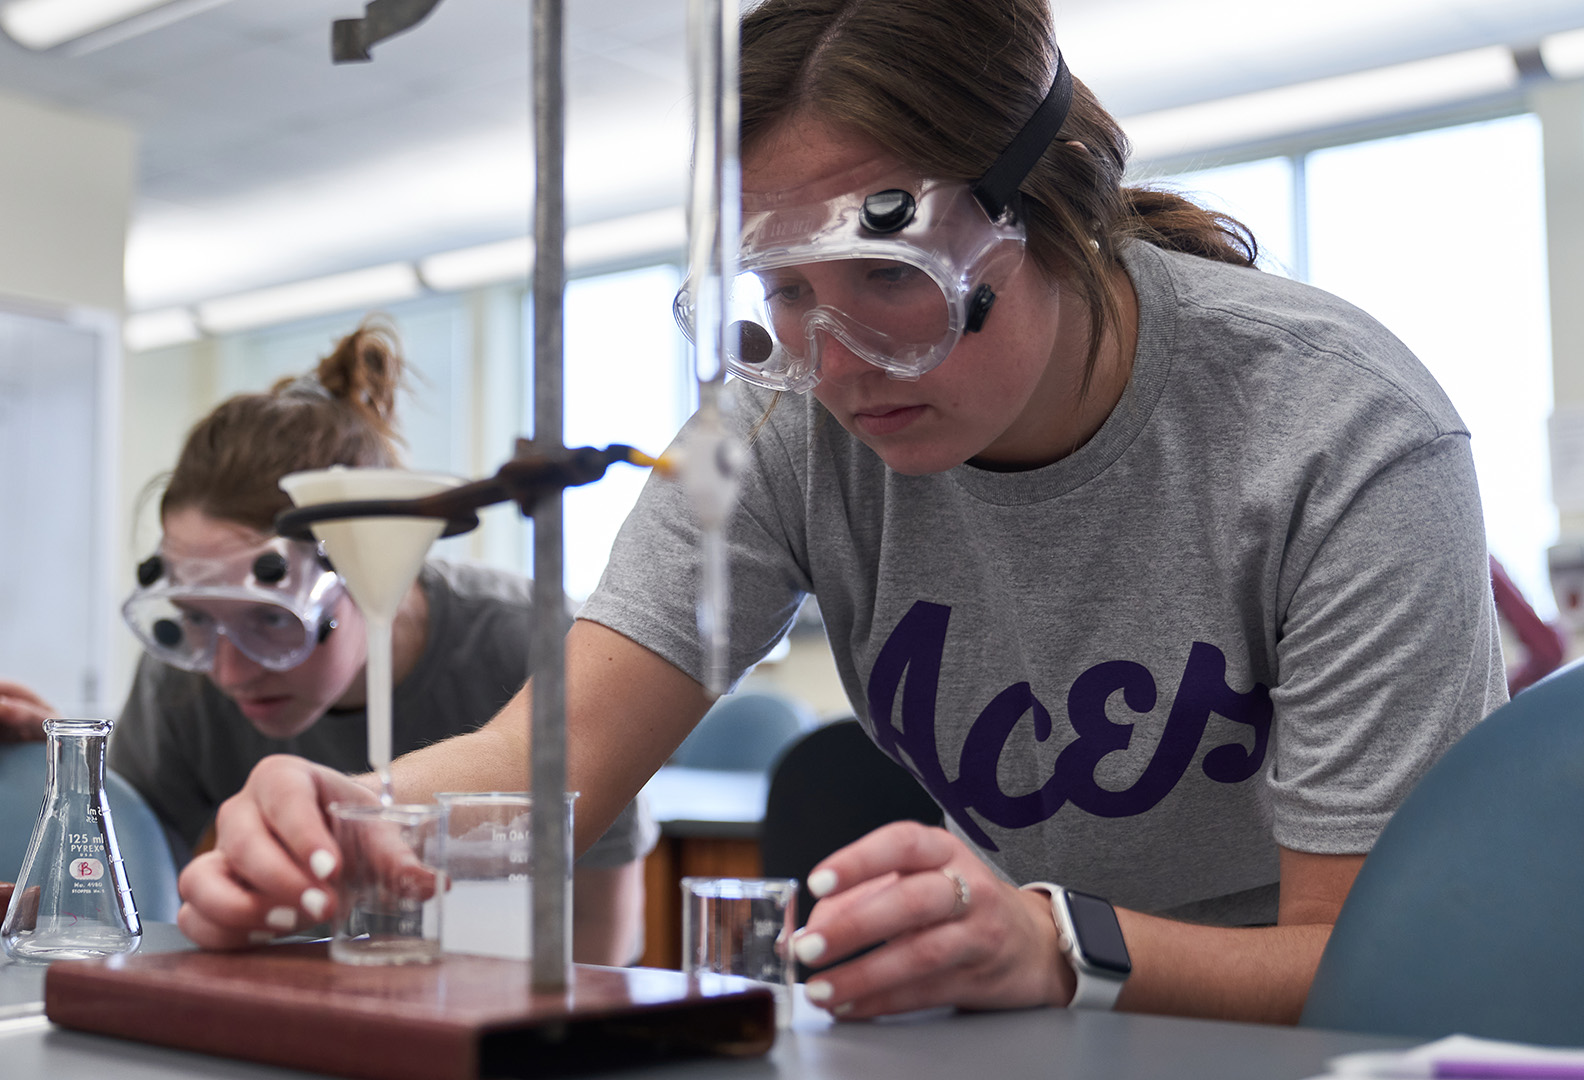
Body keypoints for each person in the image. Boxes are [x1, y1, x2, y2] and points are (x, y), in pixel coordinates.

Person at [177, 0, 1506, 1024]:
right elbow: (544, 771)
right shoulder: (779, 421)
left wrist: (1057, 942)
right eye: (783, 291)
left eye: (884, 276)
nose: (835, 363)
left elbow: (1369, 961)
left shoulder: (1337, 435)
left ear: (1048, 208)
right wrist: (348, 814)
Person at [0, 319, 657, 966]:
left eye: (269, 620)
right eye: (196, 620)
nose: (227, 669)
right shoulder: (183, 678)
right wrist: (67, 756)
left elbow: (604, 932)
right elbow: (135, 885)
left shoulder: (530, 646)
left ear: (362, 566)